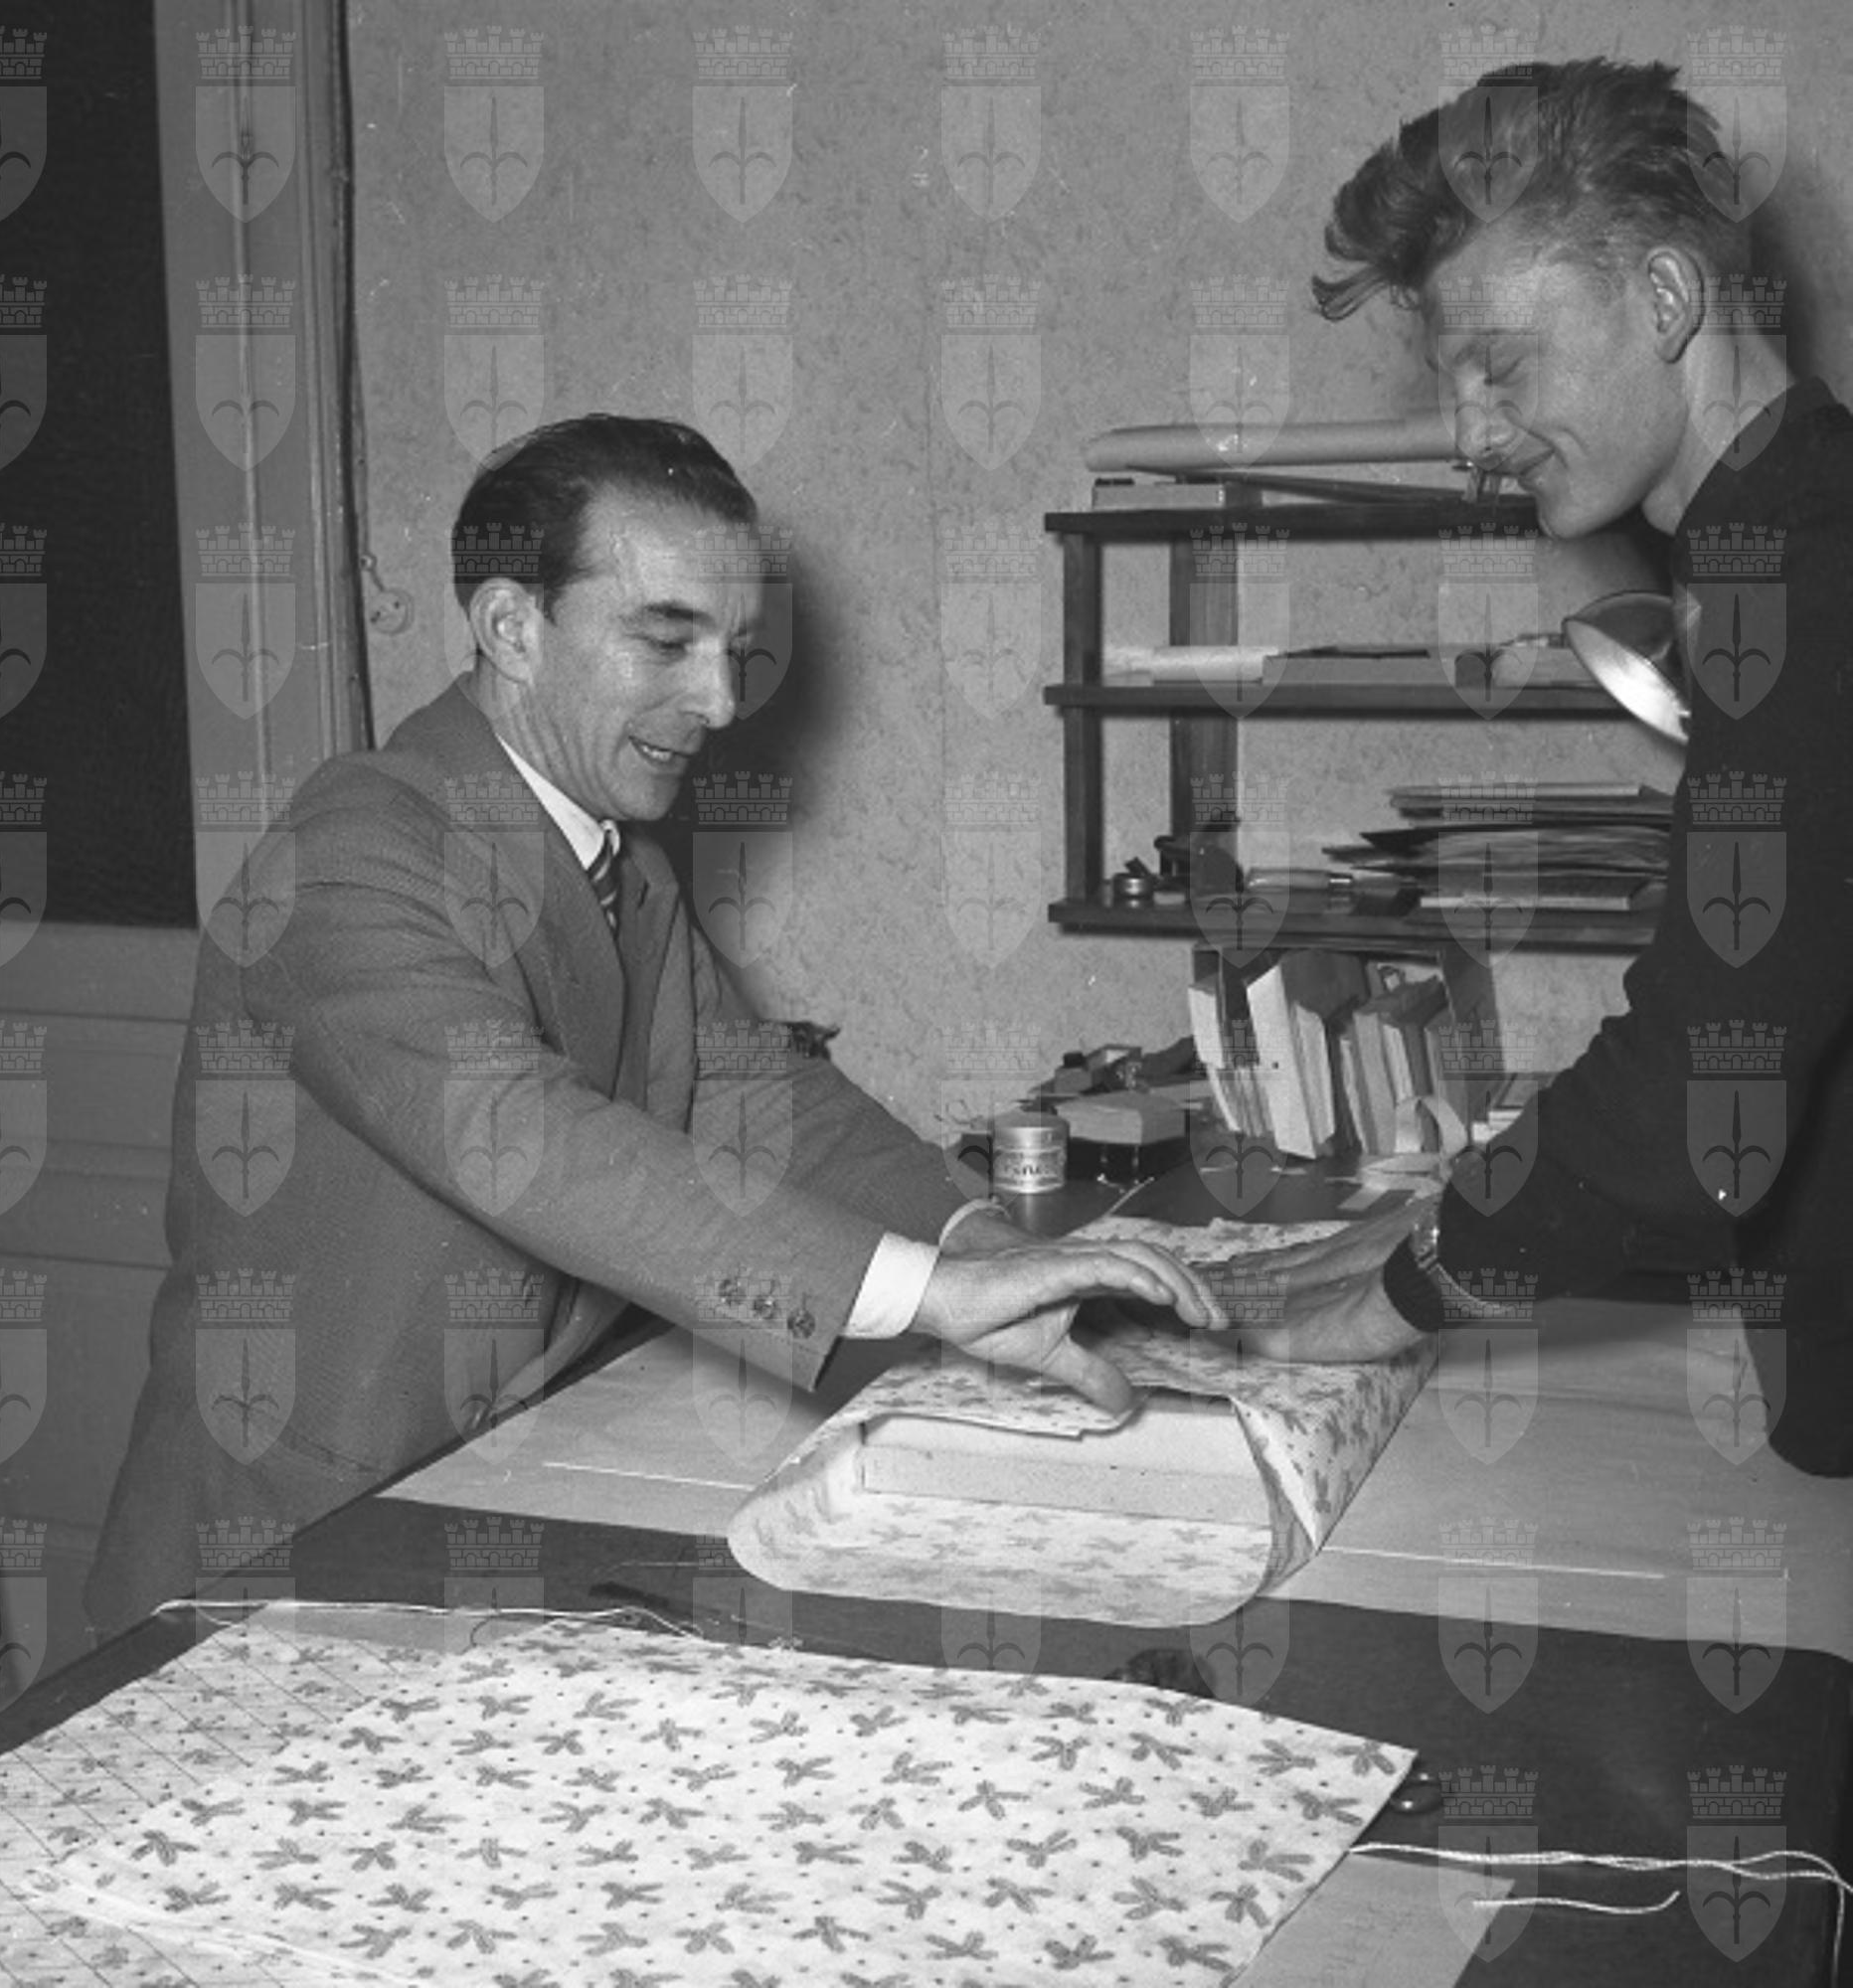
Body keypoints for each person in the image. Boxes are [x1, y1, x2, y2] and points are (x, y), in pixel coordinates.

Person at [87, 415, 1215, 1635]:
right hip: (284, 1545)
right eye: (667, 640)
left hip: (479, 1499)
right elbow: (528, 1136)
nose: (720, 699)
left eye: (734, 649)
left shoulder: (619, 865)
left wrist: (973, 1233)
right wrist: (926, 1292)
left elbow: (758, 1098)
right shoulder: (351, 846)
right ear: (511, 626)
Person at [1223, 59, 1853, 1477]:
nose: (1466, 439)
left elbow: (1708, 1086)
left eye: (1500, 369)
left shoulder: (1806, 570)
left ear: (1667, 299)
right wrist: (1467, 1189)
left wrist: (1392, 1295)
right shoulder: (1768, 541)